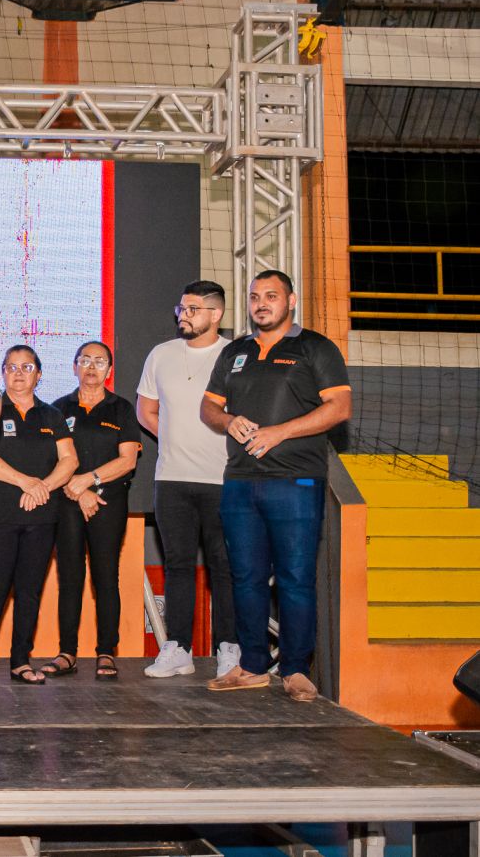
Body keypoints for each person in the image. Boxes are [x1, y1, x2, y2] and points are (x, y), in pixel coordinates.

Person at [202, 269, 352, 702]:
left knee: (295, 579)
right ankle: (251, 666)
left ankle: (296, 670)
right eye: (254, 297)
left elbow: (340, 408)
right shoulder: (235, 351)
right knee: (245, 577)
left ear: (291, 301)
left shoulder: (315, 347)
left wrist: (280, 432)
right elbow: (209, 408)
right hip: (240, 482)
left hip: (296, 482)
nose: (261, 303)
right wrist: (228, 420)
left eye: (271, 295)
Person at [137, 280, 240, 679]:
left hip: (223, 480)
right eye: (181, 308)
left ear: (216, 314)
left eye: (193, 309)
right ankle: (178, 647)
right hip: (172, 480)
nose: (184, 315)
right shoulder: (161, 354)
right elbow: (146, 411)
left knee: (223, 567)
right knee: (178, 565)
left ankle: (228, 649)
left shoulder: (235, 356)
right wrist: (174, 439)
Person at [0, 345, 78, 687]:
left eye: (26, 367)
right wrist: (26, 482)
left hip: (42, 518)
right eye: (11, 367)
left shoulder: (52, 416)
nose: (18, 373)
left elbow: (70, 460)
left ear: (39, 374)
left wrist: (43, 487)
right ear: (3, 373)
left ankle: (20, 662)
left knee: (29, 592)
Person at [44, 341, 141, 681]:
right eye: (85, 360)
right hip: (67, 501)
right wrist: (79, 490)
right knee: (69, 576)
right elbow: (52, 460)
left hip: (109, 503)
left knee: (106, 576)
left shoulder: (121, 409)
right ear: (74, 366)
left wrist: (90, 480)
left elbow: (128, 461)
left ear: (109, 370)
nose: (91, 367)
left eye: (99, 361)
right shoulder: (58, 409)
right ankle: (67, 652)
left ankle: (106, 652)